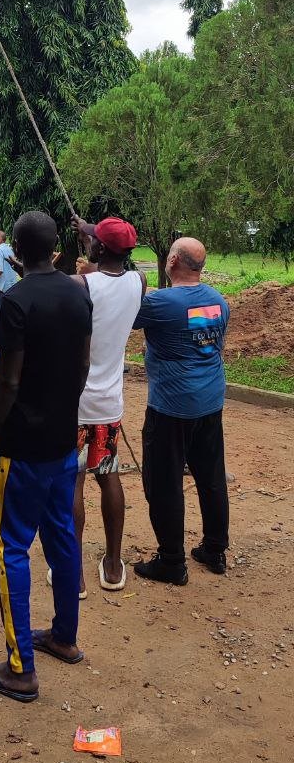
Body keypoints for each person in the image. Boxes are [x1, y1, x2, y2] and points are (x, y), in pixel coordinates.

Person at [0, 210, 92, 703]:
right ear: (55, 248)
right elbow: (82, 364)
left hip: (21, 450)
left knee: (10, 547)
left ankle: (20, 670)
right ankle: (64, 637)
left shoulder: (15, 302)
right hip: (63, 442)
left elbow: (8, 383)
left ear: (14, 251)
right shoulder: (78, 294)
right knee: (61, 537)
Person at [45, 215, 145, 596]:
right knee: (108, 474)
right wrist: (90, 231)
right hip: (108, 405)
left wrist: (87, 258)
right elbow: (109, 266)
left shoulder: (79, 284)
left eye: (94, 241)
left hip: (74, 402)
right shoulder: (139, 282)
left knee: (73, 480)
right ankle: (114, 566)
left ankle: (73, 573)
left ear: (99, 248)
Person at [132, 237, 230, 585]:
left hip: (171, 406)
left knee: (164, 481)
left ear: (172, 261)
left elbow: (126, 316)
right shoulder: (218, 301)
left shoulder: (160, 302)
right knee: (211, 476)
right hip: (210, 401)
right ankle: (214, 550)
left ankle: (172, 561)